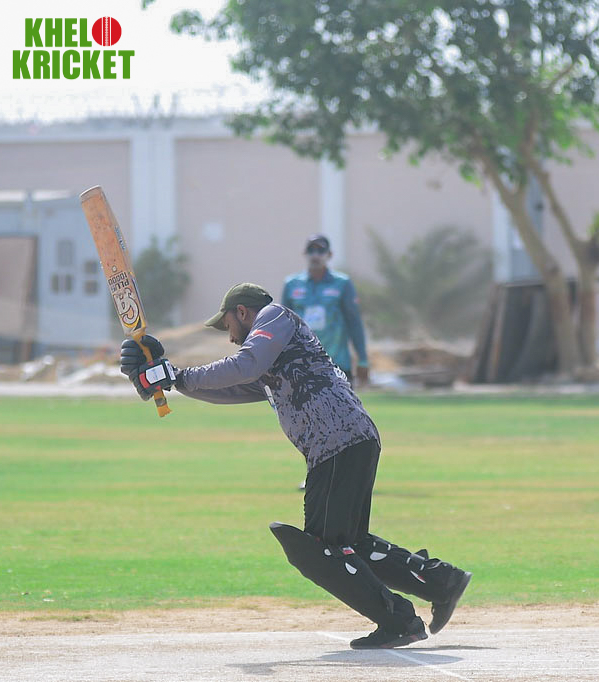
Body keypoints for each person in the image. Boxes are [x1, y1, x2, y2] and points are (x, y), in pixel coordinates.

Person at [119, 283, 472, 649]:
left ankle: (399, 621)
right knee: (349, 544)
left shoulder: (275, 317)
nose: (230, 337)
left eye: (228, 326)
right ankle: (441, 583)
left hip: (338, 441)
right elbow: (231, 388)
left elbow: (244, 366)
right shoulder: (273, 356)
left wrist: (172, 375)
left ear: (242, 312)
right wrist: (172, 378)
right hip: (346, 441)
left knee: (320, 551)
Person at [281, 234, 369, 387]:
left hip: (337, 363)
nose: (315, 255)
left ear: (329, 255)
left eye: (320, 251)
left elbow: (354, 322)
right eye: (311, 250)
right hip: (302, 364)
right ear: (304, 253)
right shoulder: (292, 284)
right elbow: (283, 326)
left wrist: (362, 359)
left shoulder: (342, 283)